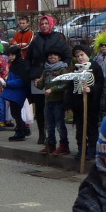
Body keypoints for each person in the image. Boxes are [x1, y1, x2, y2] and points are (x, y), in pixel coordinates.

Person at [27, 16, 71, 145]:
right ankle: (42, 134)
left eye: (47, 23)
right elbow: (28, 58)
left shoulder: (58, 39)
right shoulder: (35, 40)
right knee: (40, 108)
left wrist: (61, 68)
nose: (44, 26)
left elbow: (68, 57)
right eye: (42, 24)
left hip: (54, 78)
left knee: (54, 109)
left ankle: (58, 138)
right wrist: (31, 72)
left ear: (51, 24)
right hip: (37, 76)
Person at [66, 44, 104, 160]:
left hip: (91, 104)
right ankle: (81, 149)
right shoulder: (76, 69)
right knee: (80, 129)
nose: (80, 58)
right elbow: (70, 87)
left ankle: (92, 150)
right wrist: (68, 103)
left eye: (82, 55)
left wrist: (91, 89)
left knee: (91, 128)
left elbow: (100, 83)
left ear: (87, 54)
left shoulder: (95, 67)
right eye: (77, 56)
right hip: (78, 105)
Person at [34, 49, 70, 155]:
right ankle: (50, 144)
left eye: (55, 55)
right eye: (50, 55)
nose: (52, 57)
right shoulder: (46, 71)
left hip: (58, 101)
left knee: (59, 125)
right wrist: (37, 83)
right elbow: (41, 85)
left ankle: (64, 145)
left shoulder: (62, 70)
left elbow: (65, 84)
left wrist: (52, 89)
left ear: (59, 57)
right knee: (49, 125)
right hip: (48, 101)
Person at [2, 46, 29, 141]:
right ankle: (24, 129)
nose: (10, 57)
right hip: (14, 92)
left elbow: (21, 81)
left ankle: (20, 132)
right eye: (9, 55)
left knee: (16, 113)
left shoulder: (20, 65)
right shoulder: (15, 64)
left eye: (12, 55)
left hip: (18, 92)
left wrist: (7, 83)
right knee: (15, 112)